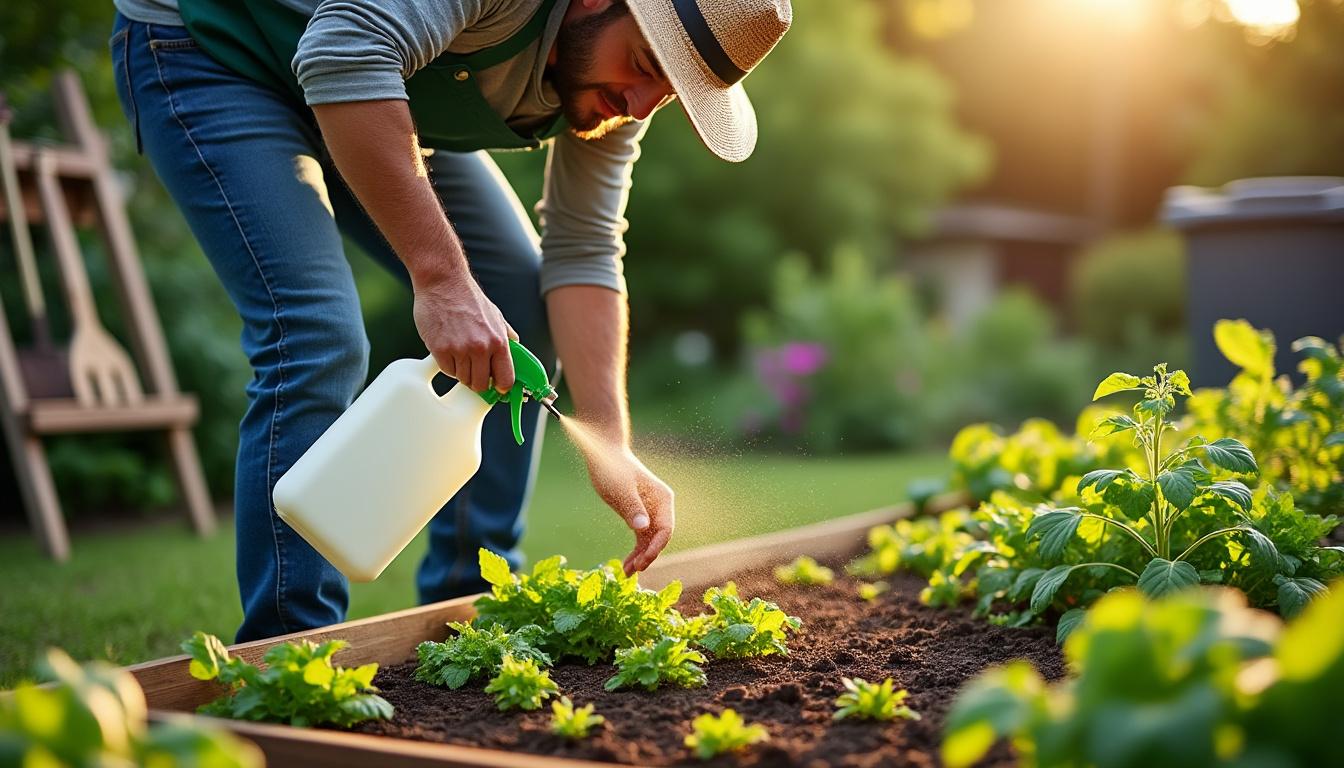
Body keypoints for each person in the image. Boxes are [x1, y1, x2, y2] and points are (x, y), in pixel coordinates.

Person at [108, 0, 792, 642]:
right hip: (215, 46)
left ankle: (470, 608)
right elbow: (344, 54)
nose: (640, 103)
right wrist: (439, 280)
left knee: (515, 298)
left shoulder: (618, 89)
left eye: (668, 92)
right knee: (317, 329)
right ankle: (292, 653)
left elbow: (583, 248)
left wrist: (610, 440)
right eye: (645, 65)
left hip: (358, 76)